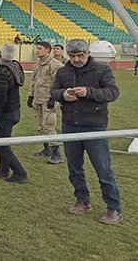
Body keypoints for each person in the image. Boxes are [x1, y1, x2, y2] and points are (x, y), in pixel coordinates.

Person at [51, 39, 122, 225]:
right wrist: (63, 95)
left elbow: (113, 93)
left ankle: (114, 208)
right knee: (74, 168)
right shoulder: (62, 71)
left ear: (87, 54)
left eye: (80, 55)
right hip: (70, 125)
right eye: (73, 56)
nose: (76, 59)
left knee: (103, 170)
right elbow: (54, 92)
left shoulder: (102, 70)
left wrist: (88, 92)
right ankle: (82, 200)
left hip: (95, 126)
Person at [0, 44, 29, 183]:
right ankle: (3, 170)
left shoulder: (1, 73)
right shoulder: (14, 66)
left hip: (5, 113)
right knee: (4, 140)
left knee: (1, 144)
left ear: (1, 55)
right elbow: (2, 63)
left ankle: (20, 173)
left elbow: (0, 97)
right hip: (14, 111)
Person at [27, 41, 64, 164]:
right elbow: (34, 81)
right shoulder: (38, 64)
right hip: (38, 99)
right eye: (36, 48)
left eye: (40, 48)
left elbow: (58, 83)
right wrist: (30, 96)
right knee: (41, 126)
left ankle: (57, 154)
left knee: (49, 126)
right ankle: (47, 149)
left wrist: (53, 98)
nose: (37, 50)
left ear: (48, 50)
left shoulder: (54, 65)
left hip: (48, 100)